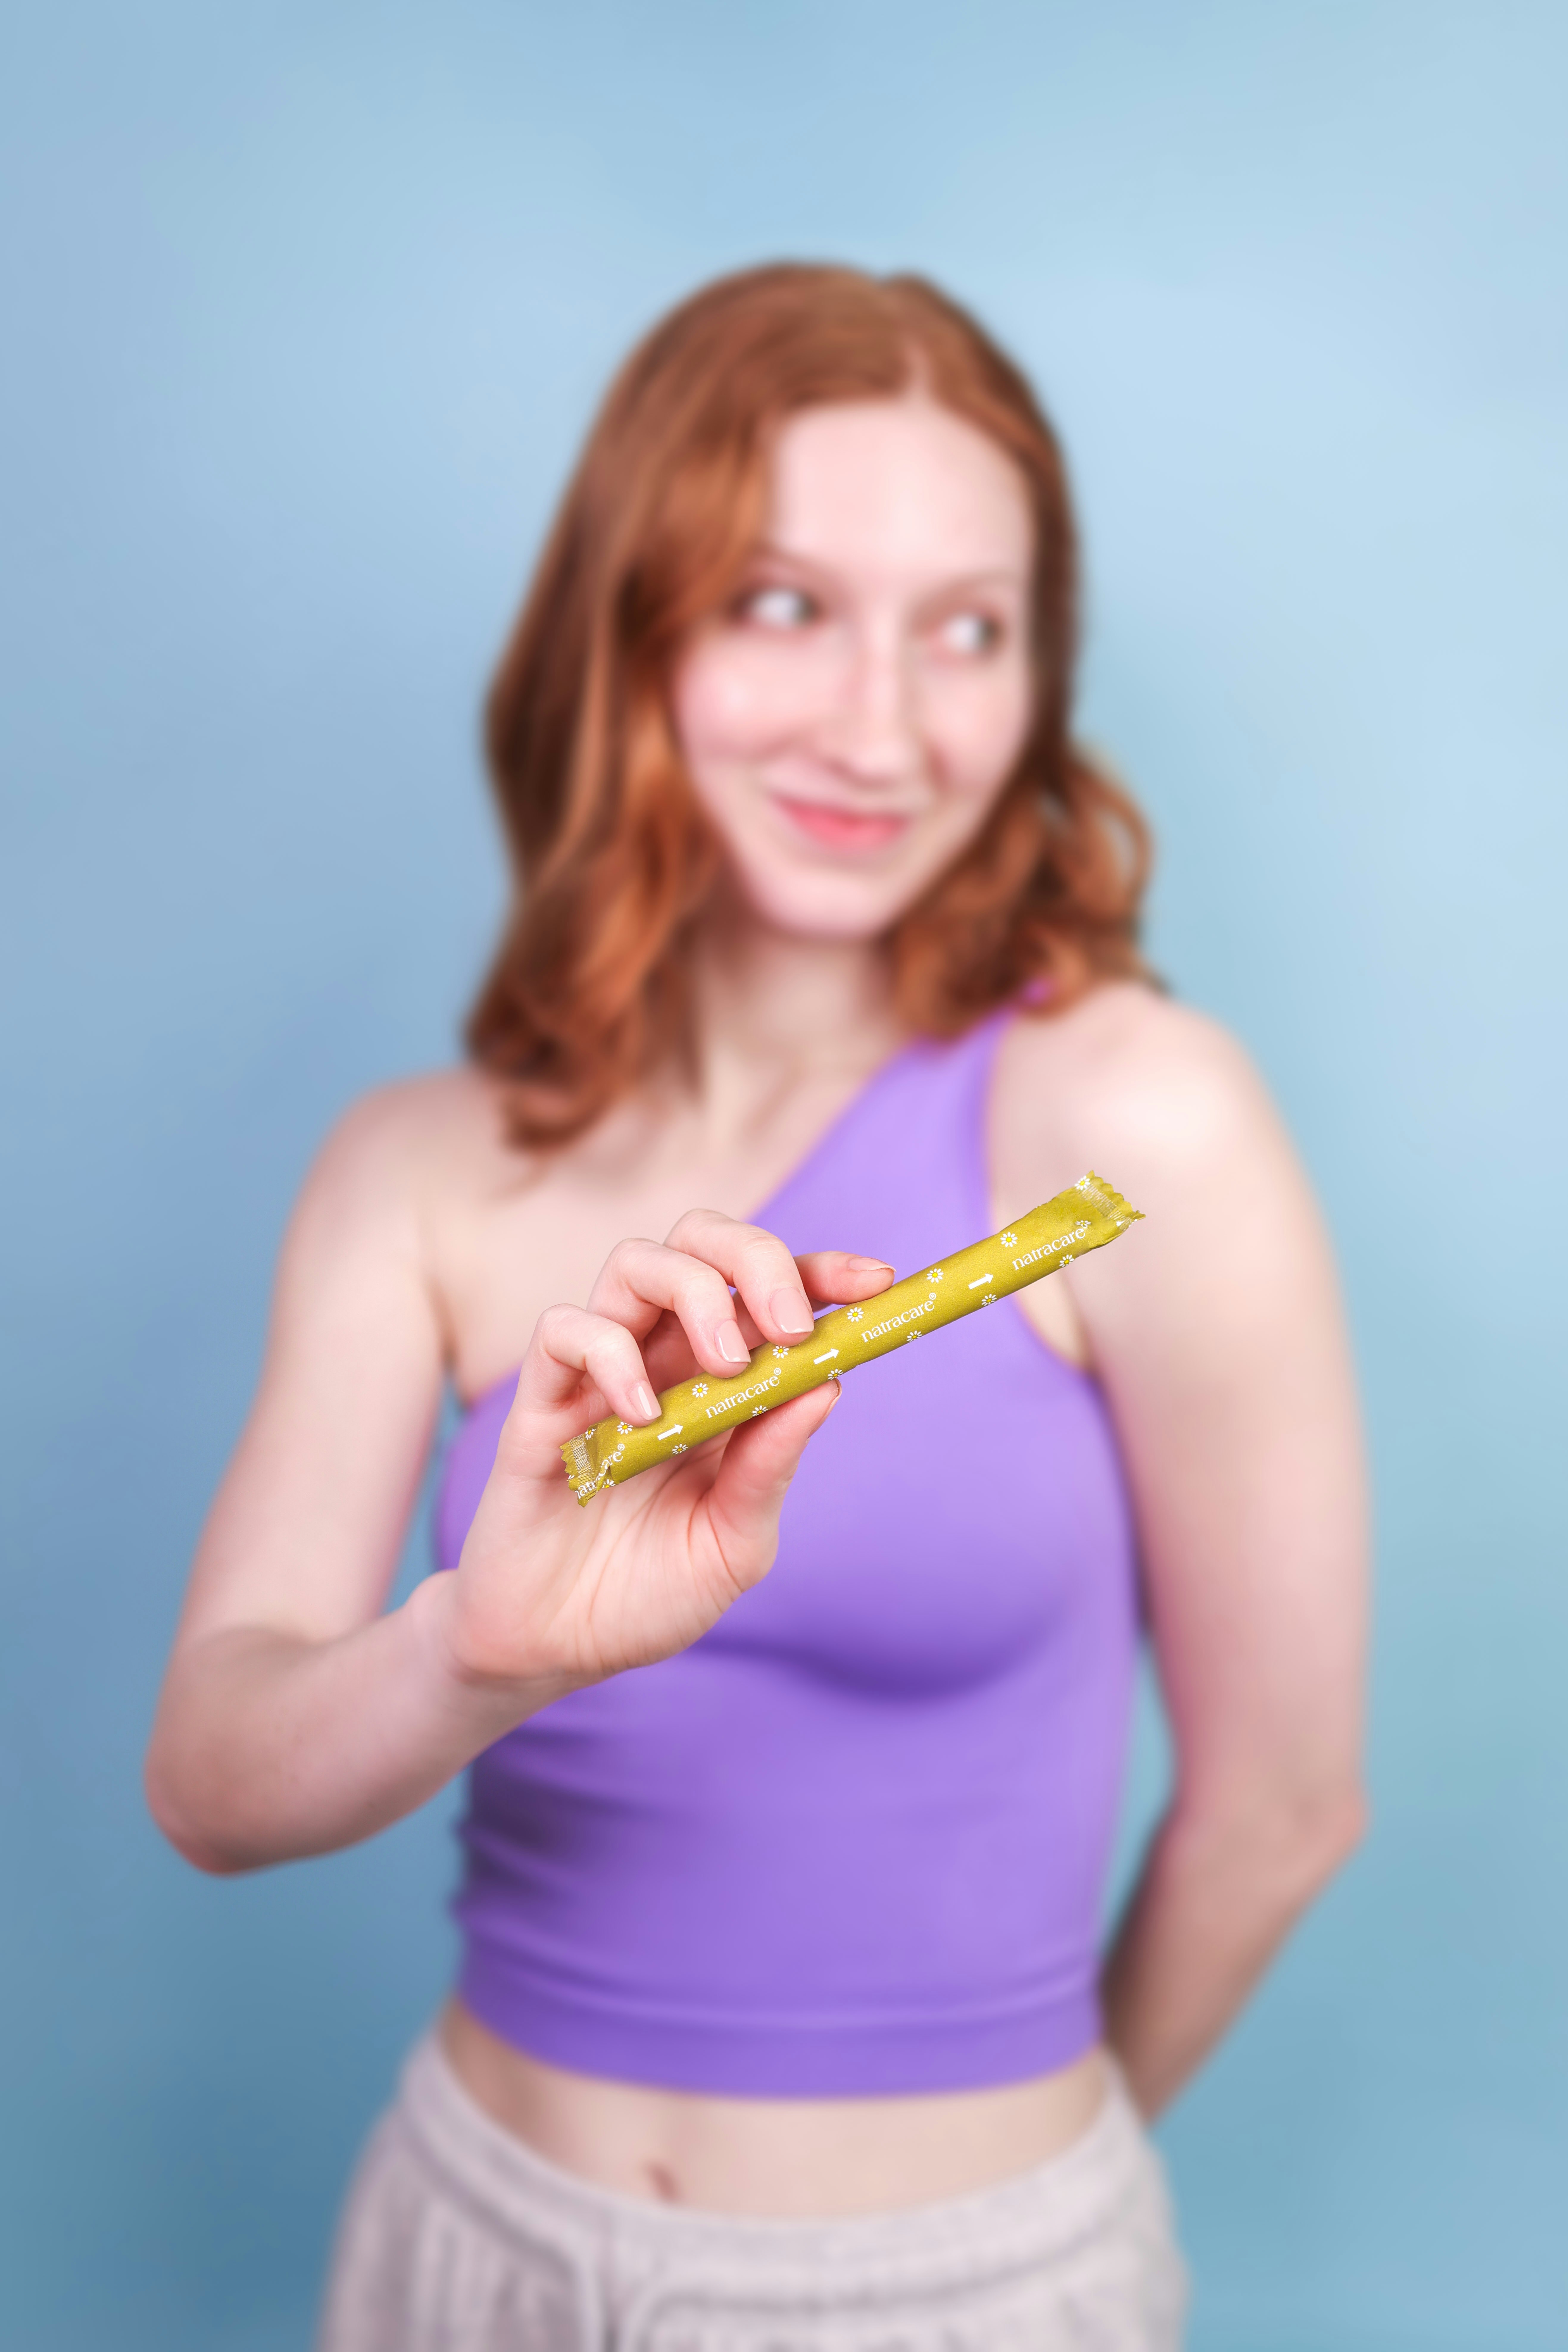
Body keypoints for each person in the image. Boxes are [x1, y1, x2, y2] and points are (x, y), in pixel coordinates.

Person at [146, 264, 1368, 2351]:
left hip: (957, 2286)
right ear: (633, 624)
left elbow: (1278, 1813)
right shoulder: (415, 1167)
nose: (882, 729)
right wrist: (476, 1650)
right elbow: (215, 1777)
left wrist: (1007, 2237)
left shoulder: (1137, 1123)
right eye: (785, 603)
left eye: (965, 631)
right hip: (462, 2239)